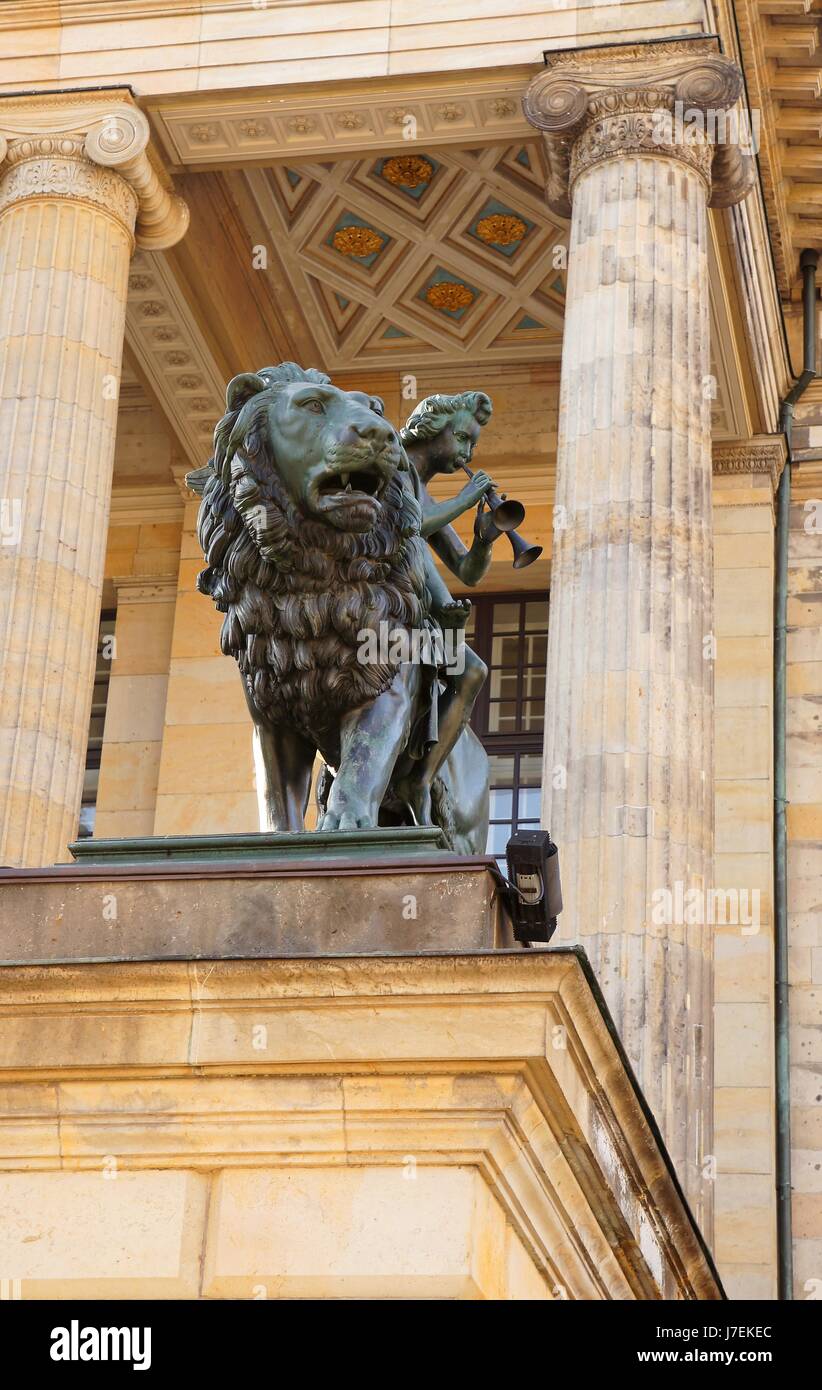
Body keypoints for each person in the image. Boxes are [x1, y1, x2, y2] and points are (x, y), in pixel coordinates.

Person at [395, 390, 498, 826]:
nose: (467, 453)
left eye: (472, 445)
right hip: (385, 593)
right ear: (433, 430)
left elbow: (468, 572)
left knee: (472, 671)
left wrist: (484, 539)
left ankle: (421, 778)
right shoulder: (390, 468)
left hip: (424, 602)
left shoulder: (428, 495)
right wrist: (465, 499)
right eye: (462, 439)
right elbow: (406, 523)